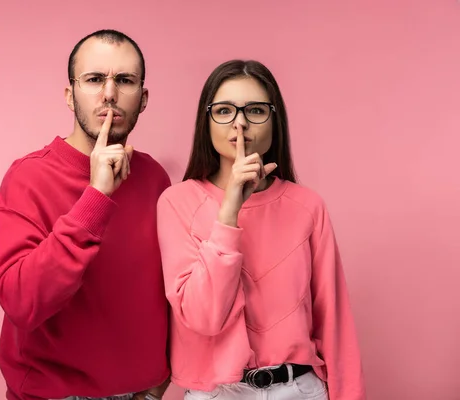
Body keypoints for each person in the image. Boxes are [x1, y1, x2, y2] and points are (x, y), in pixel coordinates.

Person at [156, 60, 365, 400]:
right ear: (206, 122)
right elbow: (202, 317)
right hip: (216, 393)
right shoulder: (176, 203)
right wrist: (229, 213)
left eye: (255, 110)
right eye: (224, 110)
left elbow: (335, 324)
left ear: (275, 120)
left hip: (298, 389)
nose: (239, 122)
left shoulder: (307, 206)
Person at [0, 29, 171, 400]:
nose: (109, 94)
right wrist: (96, 196)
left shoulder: (154, 178)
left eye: (124, 80)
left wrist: (158, 380)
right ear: (70, 95)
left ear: (144, 97)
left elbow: (167, 291)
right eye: (94, 79)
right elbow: (22, 303)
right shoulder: (28, 178)